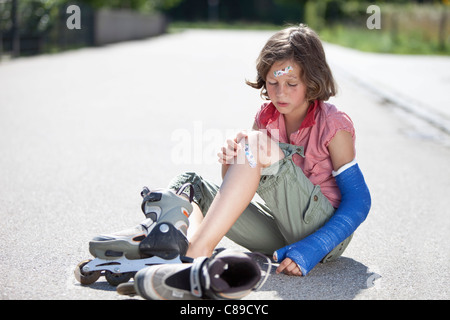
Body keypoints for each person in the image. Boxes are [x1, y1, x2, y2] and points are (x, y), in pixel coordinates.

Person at [168, 24, 371, 277]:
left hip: (325, 235)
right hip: (280, 226)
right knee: (191, 186)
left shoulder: (334, 125)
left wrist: (313, 248)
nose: (280, 92)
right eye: (273, 82)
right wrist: (232, 157)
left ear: (311, 81)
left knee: (254, 143)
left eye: (291, 83)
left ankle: (195, 255)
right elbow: (238, 187)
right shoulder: (266, 118)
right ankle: (182, 247)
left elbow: (359, 201)